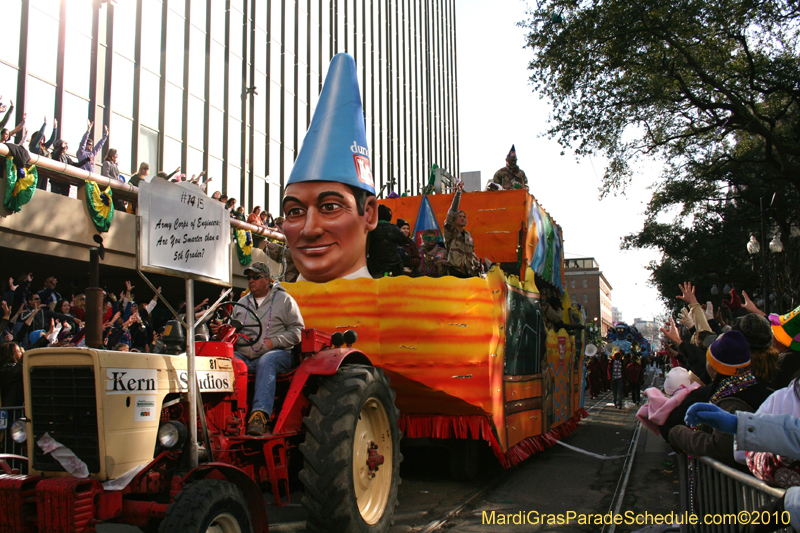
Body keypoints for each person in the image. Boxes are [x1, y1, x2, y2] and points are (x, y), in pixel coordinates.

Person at [280, 53, 379, 282]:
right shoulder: (266, 311)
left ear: (369, 214)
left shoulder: (399, 312)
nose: (309, 230)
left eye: (330, 206)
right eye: (294, 211)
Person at [210, 262, 304, 435]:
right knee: (224, 361)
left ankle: (259, 415)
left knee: (266, 361)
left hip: (278, 354)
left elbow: (297, 332)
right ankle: (223, 413)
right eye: (249, 278)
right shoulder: (242, 302)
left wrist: (273, 342)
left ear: (267, 279)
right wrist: (222, 329)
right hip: (245, 355)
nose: (251, 281)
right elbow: (233, 329)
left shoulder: (285, 300)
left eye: (256, 277)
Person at [669, 330, 771, 470]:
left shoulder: (732, 402)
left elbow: (721, 449)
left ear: (715, 368)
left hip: (734, 488)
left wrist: (678, 433)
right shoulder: (752, 389)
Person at [443, 181, 478, 278]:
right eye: (459, 216)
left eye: (464, 217)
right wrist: (458, 194)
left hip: (468, 273)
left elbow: (470, 254)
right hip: (455, 272)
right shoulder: (451, 232)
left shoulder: (468, 236)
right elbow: (451, 213)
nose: (462, 218)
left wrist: (476, 264)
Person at [367, 205, 411, 277]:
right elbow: (405, 241)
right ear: (389, 216)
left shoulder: (370, 229)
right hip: (394, 266)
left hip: (376, 266)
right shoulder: (393, 228)